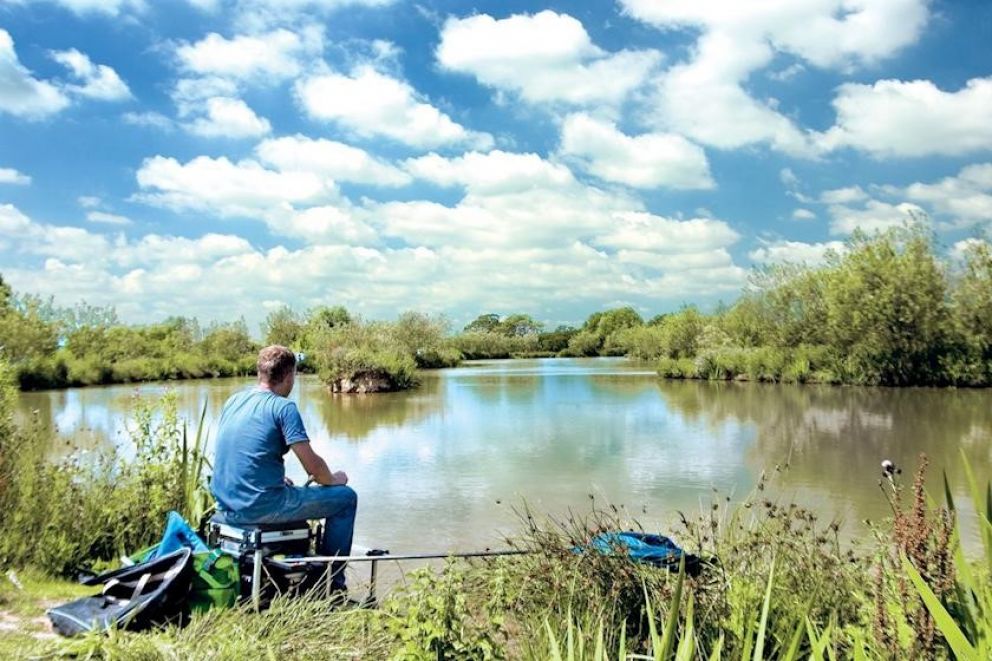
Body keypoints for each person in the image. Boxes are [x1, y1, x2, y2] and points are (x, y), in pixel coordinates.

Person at [212, 345, 357, 591]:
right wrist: (333, 479)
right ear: (290, 376)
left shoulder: (233, 401)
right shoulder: (283, 407)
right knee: (345, 498)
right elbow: (312, 466)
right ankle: (331, 584)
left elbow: (241, 454)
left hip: (226, 503)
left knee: (301, 492)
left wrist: (273, 479)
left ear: (260, 372)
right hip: (261, 506)